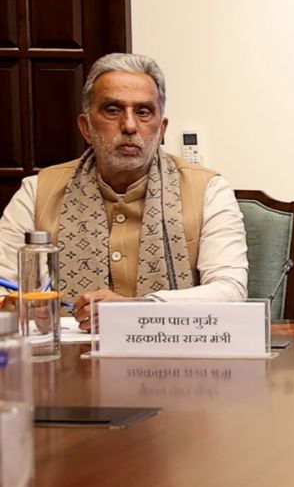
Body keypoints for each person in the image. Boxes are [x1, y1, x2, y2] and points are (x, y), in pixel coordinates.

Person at [0, 53, 248, 329]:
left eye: (143, 112)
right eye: (113, 110)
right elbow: (4, 286)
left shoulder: (208, 190)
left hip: (173, 358)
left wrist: (138, 309)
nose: (130, 126)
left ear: (161, 128)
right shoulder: (36, 192)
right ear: (86, 127)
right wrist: (12, 306)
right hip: (63, 360)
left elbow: (230, 290)